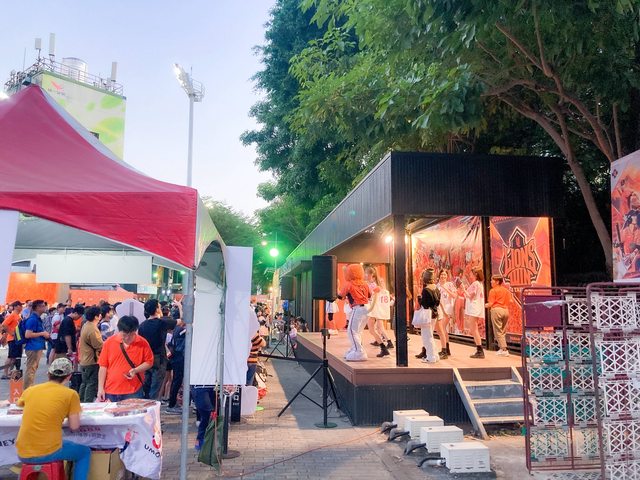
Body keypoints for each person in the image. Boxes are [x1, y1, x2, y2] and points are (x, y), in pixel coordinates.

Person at [16, 358, 90, 480]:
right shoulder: (71, 394)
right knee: (84, 452)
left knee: (64, 444)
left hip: (22, 451)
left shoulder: (30, 390)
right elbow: (74, 426)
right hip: (48, 451)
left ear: (48, 374)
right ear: (69, 376)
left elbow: (19, 404)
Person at [97, 315, 153, 402]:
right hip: (111, 390)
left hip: (133, 391)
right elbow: (103, 366)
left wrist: (136, 370)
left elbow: (149, 362)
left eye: (130, 335)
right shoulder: (109, 342)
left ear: (135, 331)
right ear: (119, 331)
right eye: (124, 335)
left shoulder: (142, 343)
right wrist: (100, 388)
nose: (127, 338)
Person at [138, 299, 176, 400]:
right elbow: (182, 321)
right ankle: (153, 405)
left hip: (146, 359)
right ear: (157, 309)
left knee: (147, 386)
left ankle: (146, 404)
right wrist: (180, 307)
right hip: (159, 359)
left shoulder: (142, 326)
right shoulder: (162, 322)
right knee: (156, 388)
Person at [337, 264, 371, 361]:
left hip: (358, 308)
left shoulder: (349, 284)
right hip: (367, 308)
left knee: (351, 331)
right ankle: (355, 349)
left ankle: (359, 351)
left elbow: (340, 296)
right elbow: (369, 295)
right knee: (358, 331)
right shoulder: (365, 283)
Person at [365, 266, 394, 358]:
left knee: (374, 329)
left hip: (374, 309)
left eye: (366, 273)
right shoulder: (375, 283)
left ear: (371, 274)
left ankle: (384, 346)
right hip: (376, 309)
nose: (365, 275)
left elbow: (370, 296)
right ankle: (384, 346)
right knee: (376, 328)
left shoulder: (373, 285)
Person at [78, 306, 104, 402]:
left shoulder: (86, 325)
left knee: (84, 383)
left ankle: (80, 401)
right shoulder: (93, 329)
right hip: (91, 360)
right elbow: (99, 345)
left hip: (84, 359)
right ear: (96, 316)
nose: (100, 316)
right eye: (99, 314)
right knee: (91, 383)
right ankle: (87, 403)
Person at [24, 299, 50, 389]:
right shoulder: (33, 319)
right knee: (31, 370)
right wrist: (42, 333)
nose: (45, 307)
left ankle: (29, 388)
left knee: (32, 369)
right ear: (38, 307)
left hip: (37, 347)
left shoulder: (37, 318)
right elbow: (28, 334)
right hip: (33, 347)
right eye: (43, 306)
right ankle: (27, 390)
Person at [416, 268, 440, 363]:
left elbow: (424, 304)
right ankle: (435, 355)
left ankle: (431, 357)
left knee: (426, 337)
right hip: (434, 314)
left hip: (427, 315)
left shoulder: (426, 290)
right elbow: (437, 303)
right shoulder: (436, 288)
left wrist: (419, 298)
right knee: (430, 336)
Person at [486, 275, 512, 356]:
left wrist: (484, 305)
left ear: (497, 282)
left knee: (498, 331)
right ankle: (501, 348)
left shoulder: (493, 291)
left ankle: (504, 349)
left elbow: (490, 304)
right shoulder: (506, 290)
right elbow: (510, 301)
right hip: (506, 310)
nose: (491, 282)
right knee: (502, 331)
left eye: (492, 280)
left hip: (497, 310)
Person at [164, 319, 186, 415]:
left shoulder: (177, 329)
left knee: (175, 381)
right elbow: (180, 347)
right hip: (179, 358)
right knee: (177, 381)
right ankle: (172, 405)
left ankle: (172, 403)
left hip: (175, 357)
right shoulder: (182, 331)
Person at [465, 268, 486, 359]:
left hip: (474, 309)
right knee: (474, 329)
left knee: (474, 329)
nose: (470, 275)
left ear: (475, 274)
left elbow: (471, 297)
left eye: (471, 274)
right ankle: (479, 349)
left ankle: (480, 350)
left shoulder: (475, 284)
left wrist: (463, 290)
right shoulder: (479, 284)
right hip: (477, 308)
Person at [436, 270, 456, 359]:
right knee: (443, 329)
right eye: (441, 274)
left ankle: (444, 349)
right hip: (439, 309)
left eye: (444, 274)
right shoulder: (436, 286)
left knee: (442, 328)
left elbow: (454, 296)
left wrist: (445, 289)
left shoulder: (449, 284)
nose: (443, 276)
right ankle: (447, 349)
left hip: (447, 309)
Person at [1, 301, 23, 378]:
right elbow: (4, 324)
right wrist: (11, 332)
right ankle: (5, 373)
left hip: (17, 339)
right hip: (12, 339)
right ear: (16, 306)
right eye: (20, 305)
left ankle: (9, 372)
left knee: (14, 357)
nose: (21, 307)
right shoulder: (12, 315)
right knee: (10, 357)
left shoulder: (17, 315)